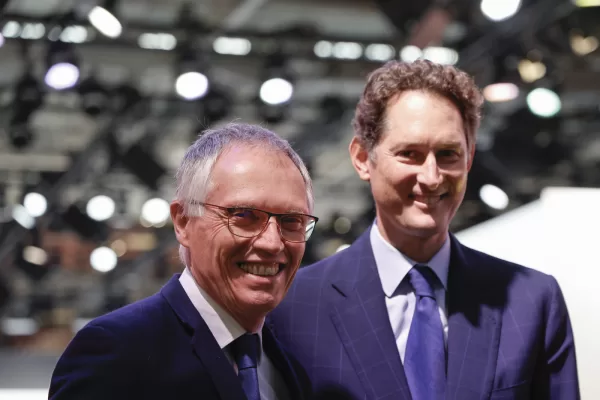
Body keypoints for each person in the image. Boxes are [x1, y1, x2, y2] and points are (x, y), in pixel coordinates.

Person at [267, 60, 580, 400]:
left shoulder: (531, 302)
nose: (431, 177)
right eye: (410, 154)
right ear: (361, 158)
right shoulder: (293, 305)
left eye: (447, 154)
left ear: (469, 157)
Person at [49, 123, 318, 400]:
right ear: (184, 221)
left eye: (291, 221)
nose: (272, 243)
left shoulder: (293, 363)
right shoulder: (117, 351)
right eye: (244, 215)